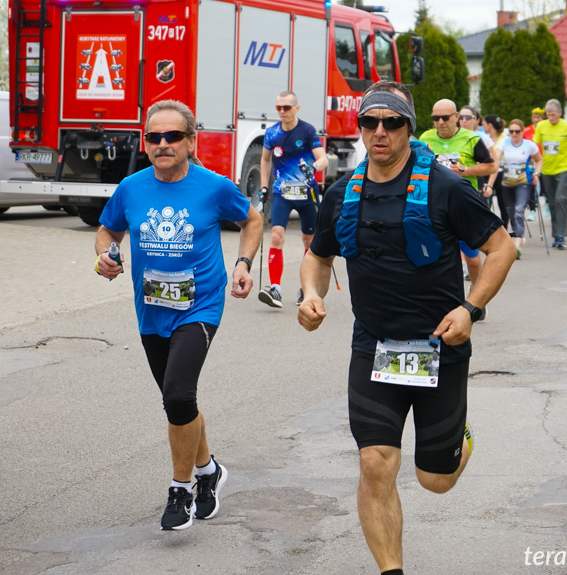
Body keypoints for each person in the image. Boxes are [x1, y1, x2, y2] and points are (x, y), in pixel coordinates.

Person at [298, 80, 516, 575]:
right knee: (375, 463)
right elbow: (317, 255)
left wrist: (471, 309)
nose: (380, 132)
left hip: (440, 346)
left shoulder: (447, 188)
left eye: (392, 122)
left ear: (407, 128)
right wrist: (311, 294)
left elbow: (502, 249)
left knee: (435, 480)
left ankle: (460, 438)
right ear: (359, 129)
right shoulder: (341, 193)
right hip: (374, 348)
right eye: (369, 122)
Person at [95, 99, 262, 530]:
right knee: (178, 400)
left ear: (191, 141)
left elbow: (253, 220)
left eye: (173, 136)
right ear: (144, 141)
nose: (163, 144)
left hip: (201, 304)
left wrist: (243, 264)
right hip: (151, 309)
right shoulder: (131, 188)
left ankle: (180, 489)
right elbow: (107, 231)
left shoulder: (214, 186)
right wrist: (104, 256)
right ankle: (209, 471)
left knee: (177, 394)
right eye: (155, 137)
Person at [257, 91, 328, 308]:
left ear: (297, 108)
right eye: (278, 107)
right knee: (276, 236)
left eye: (286, 107)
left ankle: (307, 289)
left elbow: (323, 158)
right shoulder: (272, 133)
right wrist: (264, 186)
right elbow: (265, 160)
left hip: (306, 193)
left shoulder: (306, 130)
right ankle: (275, 289)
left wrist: (313, 168)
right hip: (282, 193)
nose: (282, 111)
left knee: (309, 242)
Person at [420, 99, 497, 289]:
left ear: (455, 117)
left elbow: (492, 165)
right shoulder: (425, 139)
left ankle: (477, 297)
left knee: (471, 258)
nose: (440, 122)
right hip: (434, 206)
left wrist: (465, 171)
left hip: (462, 206)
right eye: (436, 118)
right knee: (435, 255)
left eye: (445, 118)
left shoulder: (471, 139)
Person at [487, 119, 542, 258]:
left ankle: (516, 245)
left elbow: (539, 159)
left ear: (522, 132)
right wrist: (489, 184)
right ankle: (518, 236)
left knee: (519, 211)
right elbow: (495, 162)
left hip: (523, 182)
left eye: (517, 131)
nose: (514, 134)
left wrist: (536, 173)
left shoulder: (529, 145)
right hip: (507, 183)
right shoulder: (504, 143)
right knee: (511, 212)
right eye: (511, 131)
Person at [533, 98, 567, 249]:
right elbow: (535, 146)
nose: (551, 118)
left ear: (560, 113)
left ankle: (561, 235)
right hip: (547, 170)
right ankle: (556, 234)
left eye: (553, 115)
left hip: (563, 168)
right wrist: (534, 165)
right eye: (548, 115)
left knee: (561, 199)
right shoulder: (541, 126)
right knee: (552, 202)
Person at [481, 114, 507, 228]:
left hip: (501, 173)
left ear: (490, 125)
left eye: (483, 124)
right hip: (487, 173)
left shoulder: (504, 139)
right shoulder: (484, 138)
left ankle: (505, 229)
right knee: (486, 203)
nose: (482, 127)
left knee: (503, 203)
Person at [523, 107, 544, 221]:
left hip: (544, 161)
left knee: (544, 185)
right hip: (531, 161)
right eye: (534, 117)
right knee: (532, 185)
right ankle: (532, 209)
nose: (535, 119)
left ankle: (548, 203)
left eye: (538, 117)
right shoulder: (526, 130)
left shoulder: (546, 129)